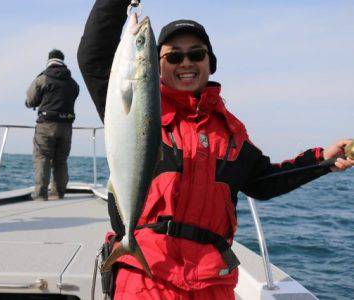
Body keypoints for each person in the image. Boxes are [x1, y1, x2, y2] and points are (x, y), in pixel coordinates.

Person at [77, 1, 354, 299]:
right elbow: (92, 56)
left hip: (214, 282)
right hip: (147, 274)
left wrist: (321, 161)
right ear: (157, 65)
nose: (185, 63)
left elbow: (263, 183)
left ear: (211, 63)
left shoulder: (231, 131)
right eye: (173, 56)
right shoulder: (137, 107)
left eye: (196, 54)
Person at [26, 49, 79, 201]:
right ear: (62, 60)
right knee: (61, 160)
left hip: (46, 125)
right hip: (66, 127)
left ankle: (41, 194)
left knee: (42, 157)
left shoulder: (43, 79)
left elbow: (30, 101)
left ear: (49, 60)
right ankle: (58, 193)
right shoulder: (72, 83)